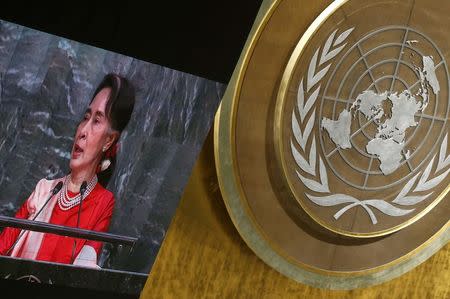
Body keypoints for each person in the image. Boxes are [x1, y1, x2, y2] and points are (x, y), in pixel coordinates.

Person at [0, 73, 135, 268]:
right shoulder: (44, 191)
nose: (83, 131)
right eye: (85, 117)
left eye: (96, 121)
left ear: (109, 140)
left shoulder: (103, 202)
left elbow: (82, 271)